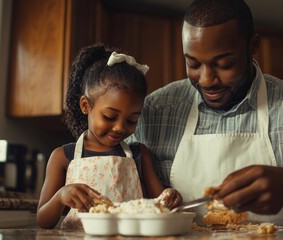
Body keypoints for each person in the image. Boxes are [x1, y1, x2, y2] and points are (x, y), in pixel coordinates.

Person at [128, 0, 283, 227]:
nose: (206, 80)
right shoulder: (153, 112)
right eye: (193, 64)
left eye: (224, 64)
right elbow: (113, 180)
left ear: (252, 46)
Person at [36, 44, 182, 229]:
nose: (120, 127)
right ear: (85, 106)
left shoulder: (140, 154)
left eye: (131, 120)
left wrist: (170, 196)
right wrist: (60, 197)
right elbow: (43, 220)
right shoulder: (62, 157)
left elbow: (161, 204)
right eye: (110, 117)